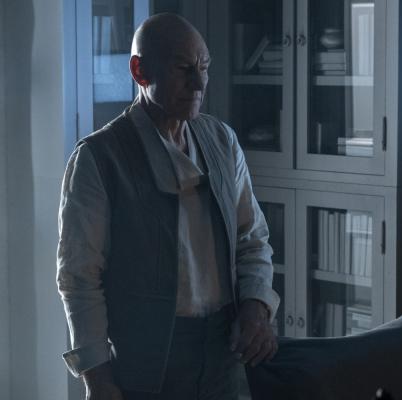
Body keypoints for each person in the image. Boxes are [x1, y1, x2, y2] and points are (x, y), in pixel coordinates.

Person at [57, 13, 279, 400]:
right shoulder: (98, 158)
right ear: (139, 71)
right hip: (146, 364)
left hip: (224, 353)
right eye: (183, 68)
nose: (199, 83)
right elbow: (79, 278)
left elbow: (251, 237)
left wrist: (257, 304)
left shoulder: (222, 141)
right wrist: (97, 378)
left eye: (204, 67)